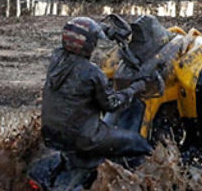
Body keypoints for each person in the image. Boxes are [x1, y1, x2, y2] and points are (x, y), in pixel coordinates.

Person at [41, 16, 155, 161]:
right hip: (84, 138)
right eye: (94, 40)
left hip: (52, 136)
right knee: (138, 142)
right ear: (89, 44)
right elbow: (112, 104)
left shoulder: (56, 57)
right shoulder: (92, 73)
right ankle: (143, 178)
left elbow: (79, 33)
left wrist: (105, 30)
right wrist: (134, 88)